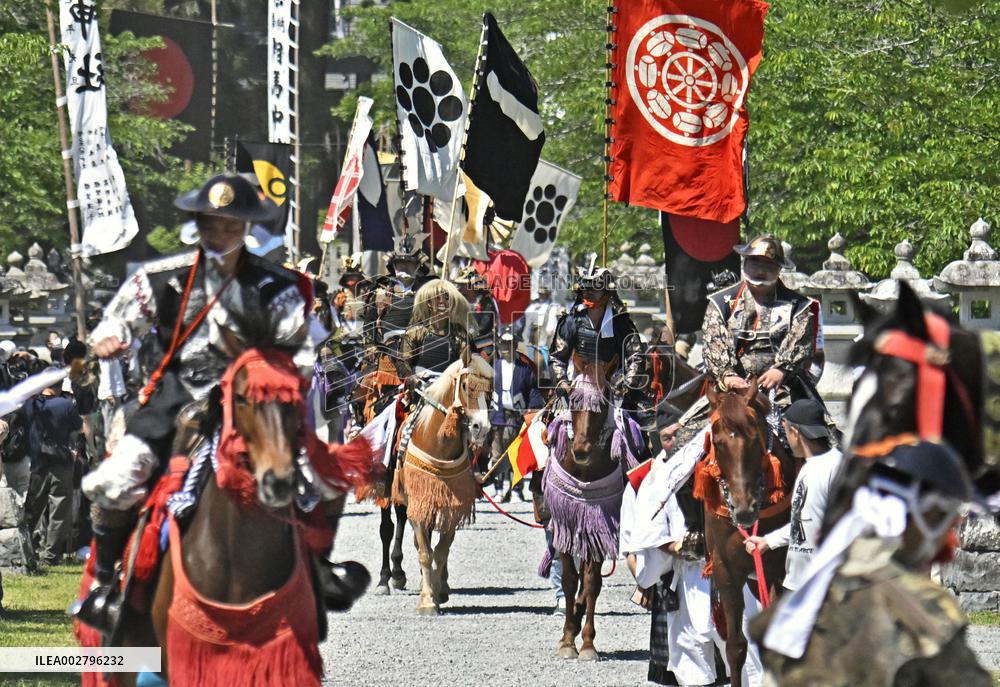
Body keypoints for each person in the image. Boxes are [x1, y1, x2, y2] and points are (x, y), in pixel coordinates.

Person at [74, 173, 334, 632]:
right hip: (175, 400)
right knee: (117, 477)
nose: (220, 235)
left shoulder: (276, 286)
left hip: (254, 400)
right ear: (198, 224)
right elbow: (114, 324)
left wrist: (281, 379)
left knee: (318, 477)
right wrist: (108, 340)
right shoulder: (161, 280)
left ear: (246, 228)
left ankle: (320, 573)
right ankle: (105, 583)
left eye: (230, 226)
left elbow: (305, 349)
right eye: (212, 225)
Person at [752, 440, 991, 686]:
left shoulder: (809, 595)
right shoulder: (920, 604)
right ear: (927, 513)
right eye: (947, 516)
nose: (949, 532)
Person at [677, 235, 822, 447]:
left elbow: (800, 343)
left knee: (826, 441)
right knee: (682, 439)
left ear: (779, 269)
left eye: (769, 264)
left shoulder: (799, 305)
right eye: (755, 262)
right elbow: (714, 341)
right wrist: (727, 375)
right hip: (731, 388)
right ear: (745, 263)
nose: (760, 270)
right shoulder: (721, 303)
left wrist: (781, 370)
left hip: (784, 387)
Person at [743, 399, 843, 591]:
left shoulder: (837, 466)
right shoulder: (808, 468)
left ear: (795, 433)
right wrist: (768, 542)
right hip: (799, 583)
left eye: (786, 430)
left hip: (824, 585)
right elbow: (804, 520)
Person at [549, 264, 648, 411]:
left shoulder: (620, 322)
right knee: (545, 425)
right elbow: (557, 357)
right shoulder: (571, 321)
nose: (589, 292)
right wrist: (563, 382)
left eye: (595, 288)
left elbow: (635, 355)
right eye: (585, 289)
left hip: (615, 387)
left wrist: (628, 383)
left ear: (606, 292)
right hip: (577, 385)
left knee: (644, 423)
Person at [23, 372, 82, 566]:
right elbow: (78, 426)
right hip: (62, 462)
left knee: (32, 509)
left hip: (37, 463)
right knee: (59, 509)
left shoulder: (31, 404)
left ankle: (27, 550)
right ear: (59, 387)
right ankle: (51, 556)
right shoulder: (65, 405)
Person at [489, 326, 542, 501]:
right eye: (503, 344)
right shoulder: (492, 367)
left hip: (517, 416)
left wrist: (533, 410)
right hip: (497, 415)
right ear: (498, 345)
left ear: (515, 345)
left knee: (516, 454)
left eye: (509, 344)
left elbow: (533, 390)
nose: (505, 347)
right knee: (497, 454)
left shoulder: (525, 369)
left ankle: (516, 489)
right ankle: (498, 489)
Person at [514, 286, 565, 390]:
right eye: (540, 293)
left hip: (545, 337)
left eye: (544, 294)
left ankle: (551, 380)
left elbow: (551, 324)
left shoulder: (552, 306)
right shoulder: (533, 306)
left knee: (548, 360)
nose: (542, 296)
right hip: (531, 337)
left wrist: (550, 331)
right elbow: (526, 320)